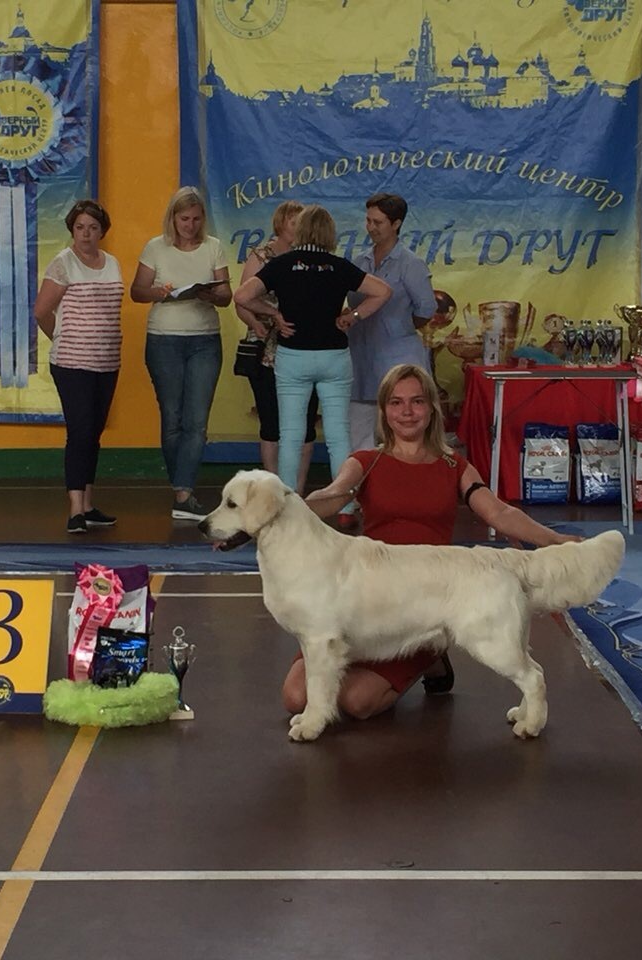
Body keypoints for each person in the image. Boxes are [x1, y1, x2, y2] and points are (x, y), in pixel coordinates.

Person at [283, 363, 582, 721]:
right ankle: (434, 658)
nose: (406, 412)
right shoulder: (365, 461)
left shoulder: (453, 465)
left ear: (431, 409)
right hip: (365, 605)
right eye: (396, 403)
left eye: (416, 402)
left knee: (356, 703)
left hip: (428, 601)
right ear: (384, 411)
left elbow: (499, 514)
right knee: (295, 697)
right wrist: (289, 507)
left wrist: (554, 540)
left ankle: (430, 649)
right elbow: (335, 494)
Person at [233, 204, 391, 494]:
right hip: (334, 357)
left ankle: (290, 501)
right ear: (330, 233)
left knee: (291, 435)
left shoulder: (282, 264)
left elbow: (242, 295)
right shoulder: (339, 266)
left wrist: (273, 313)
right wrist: (352, 317)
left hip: (293, 357)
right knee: (338, 436)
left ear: (301, 229)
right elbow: (383, 291)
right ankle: (345, 502)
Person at [130, 187, 232, 521]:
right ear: (173, 218)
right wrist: (157, 292)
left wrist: (210, 294)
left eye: (196, 219)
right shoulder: (155, 247)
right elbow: (137, 292)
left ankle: (184, 491)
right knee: (172, 417)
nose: (190, 225)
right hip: (164, 340)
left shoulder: (213, 247)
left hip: (204, 339)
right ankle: (181, 488)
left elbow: (226, 294)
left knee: (197, 421)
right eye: (184, 218)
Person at [33, 199, 124, 535]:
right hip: (72, 363)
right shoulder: (63, 263)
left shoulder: (112, 263)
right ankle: (74, 510)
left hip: (107, 361)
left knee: (94, 433)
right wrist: (63, 336)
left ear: (102, 231)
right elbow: (42, 311)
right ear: (72, 229)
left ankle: (88, 504)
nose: (86, 234)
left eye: (93, 227)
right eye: (80, 227)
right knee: (80, 431)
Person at [234, 200, 319, 492]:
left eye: (303, 223)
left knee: (305, 419)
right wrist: (259, 322)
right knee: (271, 419)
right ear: (281, 224)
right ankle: (273, 485)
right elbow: (242, 301)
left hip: (304, 344)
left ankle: (297, 488)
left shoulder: (311, 257)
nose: (299, 228)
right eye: (294, 222)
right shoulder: (262, 256)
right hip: (266, 346)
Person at [347, 193, 437, 453]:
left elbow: (426, 310)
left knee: (404, 437)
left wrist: (396, 327)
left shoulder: (412, 264)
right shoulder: (359, 262)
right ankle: (358, 492)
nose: (371, 228)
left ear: (396, 224)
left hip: (398, 361)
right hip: (360, 360)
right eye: (368, 221)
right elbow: (354, 304)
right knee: (358, 440)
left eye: (378, 222)